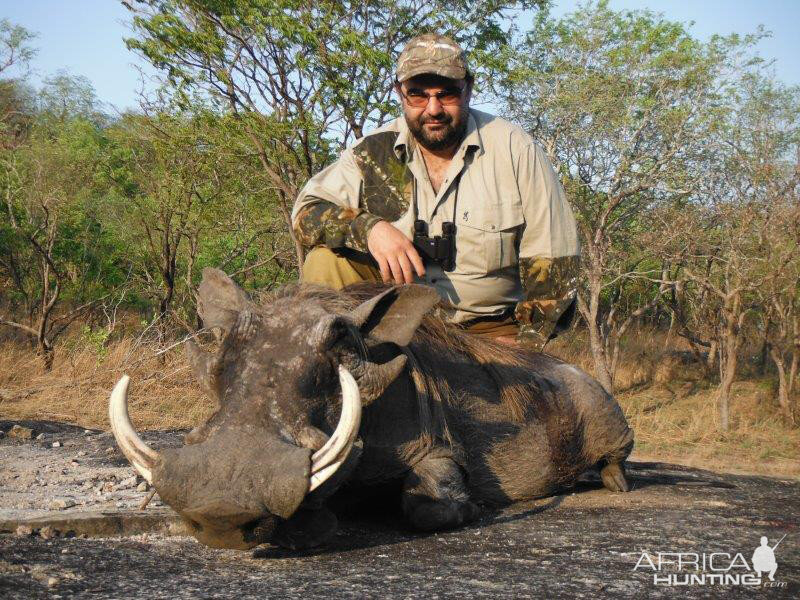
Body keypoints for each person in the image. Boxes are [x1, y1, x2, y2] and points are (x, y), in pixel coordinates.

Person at [291, 33, 579, 350]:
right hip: (397, 322)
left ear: (468, 88)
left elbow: (555, 262)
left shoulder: (515, 149)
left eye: (447, 94)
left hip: (489, 330)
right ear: (399, 93)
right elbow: (306, 212)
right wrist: (369, 229)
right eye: (418, 95)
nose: (433, 108)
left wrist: (526, 343)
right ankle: (330, 370)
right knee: (324, 261)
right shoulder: (373, 151)